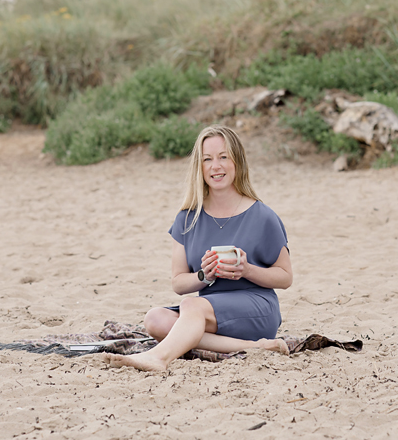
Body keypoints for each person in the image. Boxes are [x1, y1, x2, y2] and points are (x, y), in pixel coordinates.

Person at [104, 125, 293, 371]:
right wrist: (205, 276)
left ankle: (158, 358)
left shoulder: (262, 216)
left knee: (191, 307)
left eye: (223, 157)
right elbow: (179, 283)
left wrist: (247, 270)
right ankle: (253, 346)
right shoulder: (187, 218)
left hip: (256, 307)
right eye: (207, 159)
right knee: (155, 319)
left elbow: (286, 277)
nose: (216, 166)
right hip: (209, 311)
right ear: (199, 167)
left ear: (237, 162)